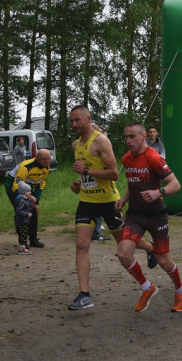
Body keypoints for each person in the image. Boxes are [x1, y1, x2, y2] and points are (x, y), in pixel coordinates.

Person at [66, 105, 154, 311]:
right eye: (71, 121)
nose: (74, 124)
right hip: (87, 201)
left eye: (77, 120)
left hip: (107, 201)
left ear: (88, 119)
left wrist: (86, 170)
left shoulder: (101, 141)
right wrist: (78, 182)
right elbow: (86, 173)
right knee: (81, 244)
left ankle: (150, 249)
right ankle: (84, 294)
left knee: (124, 244)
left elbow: (114, 173)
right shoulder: (75, 144)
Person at [117, 122, 182, 313]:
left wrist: (159, 192)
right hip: (135, 215)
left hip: (157, 216)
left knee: (163, 259)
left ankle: (181, 291)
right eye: (125, 137)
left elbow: (176, 184)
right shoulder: (126, 159)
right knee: (123, 253)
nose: (128, 141)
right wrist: (124, 199)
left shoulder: (154, 158)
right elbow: (132, 183)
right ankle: (147, 288)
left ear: (143, 137)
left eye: (131, 136)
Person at [4, 149, 52, 249]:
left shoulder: (46, 167)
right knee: (22, 211)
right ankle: (23, 241)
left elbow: (41, 185)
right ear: (41, 159)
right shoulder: (25, 167)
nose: (50, 160)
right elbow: (16, 186)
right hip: (13, 186)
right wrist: (28, 199)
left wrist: (36, 202)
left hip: (28, 187)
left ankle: (33, 239)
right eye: (48, 159)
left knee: (33, 211)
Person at [13, 183, 37, 254]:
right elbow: (19, 211)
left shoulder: (24, 199)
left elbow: (26, 208)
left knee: (24, 234)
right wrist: (27, 214)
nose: (30, 192)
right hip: (22, 221)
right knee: (23, 235)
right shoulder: (22, 200)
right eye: (28, 191)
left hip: (23, 220)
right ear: (23, 192)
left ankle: (22, 247)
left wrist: (32, 204)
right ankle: (22, 249)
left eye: (30, 191)